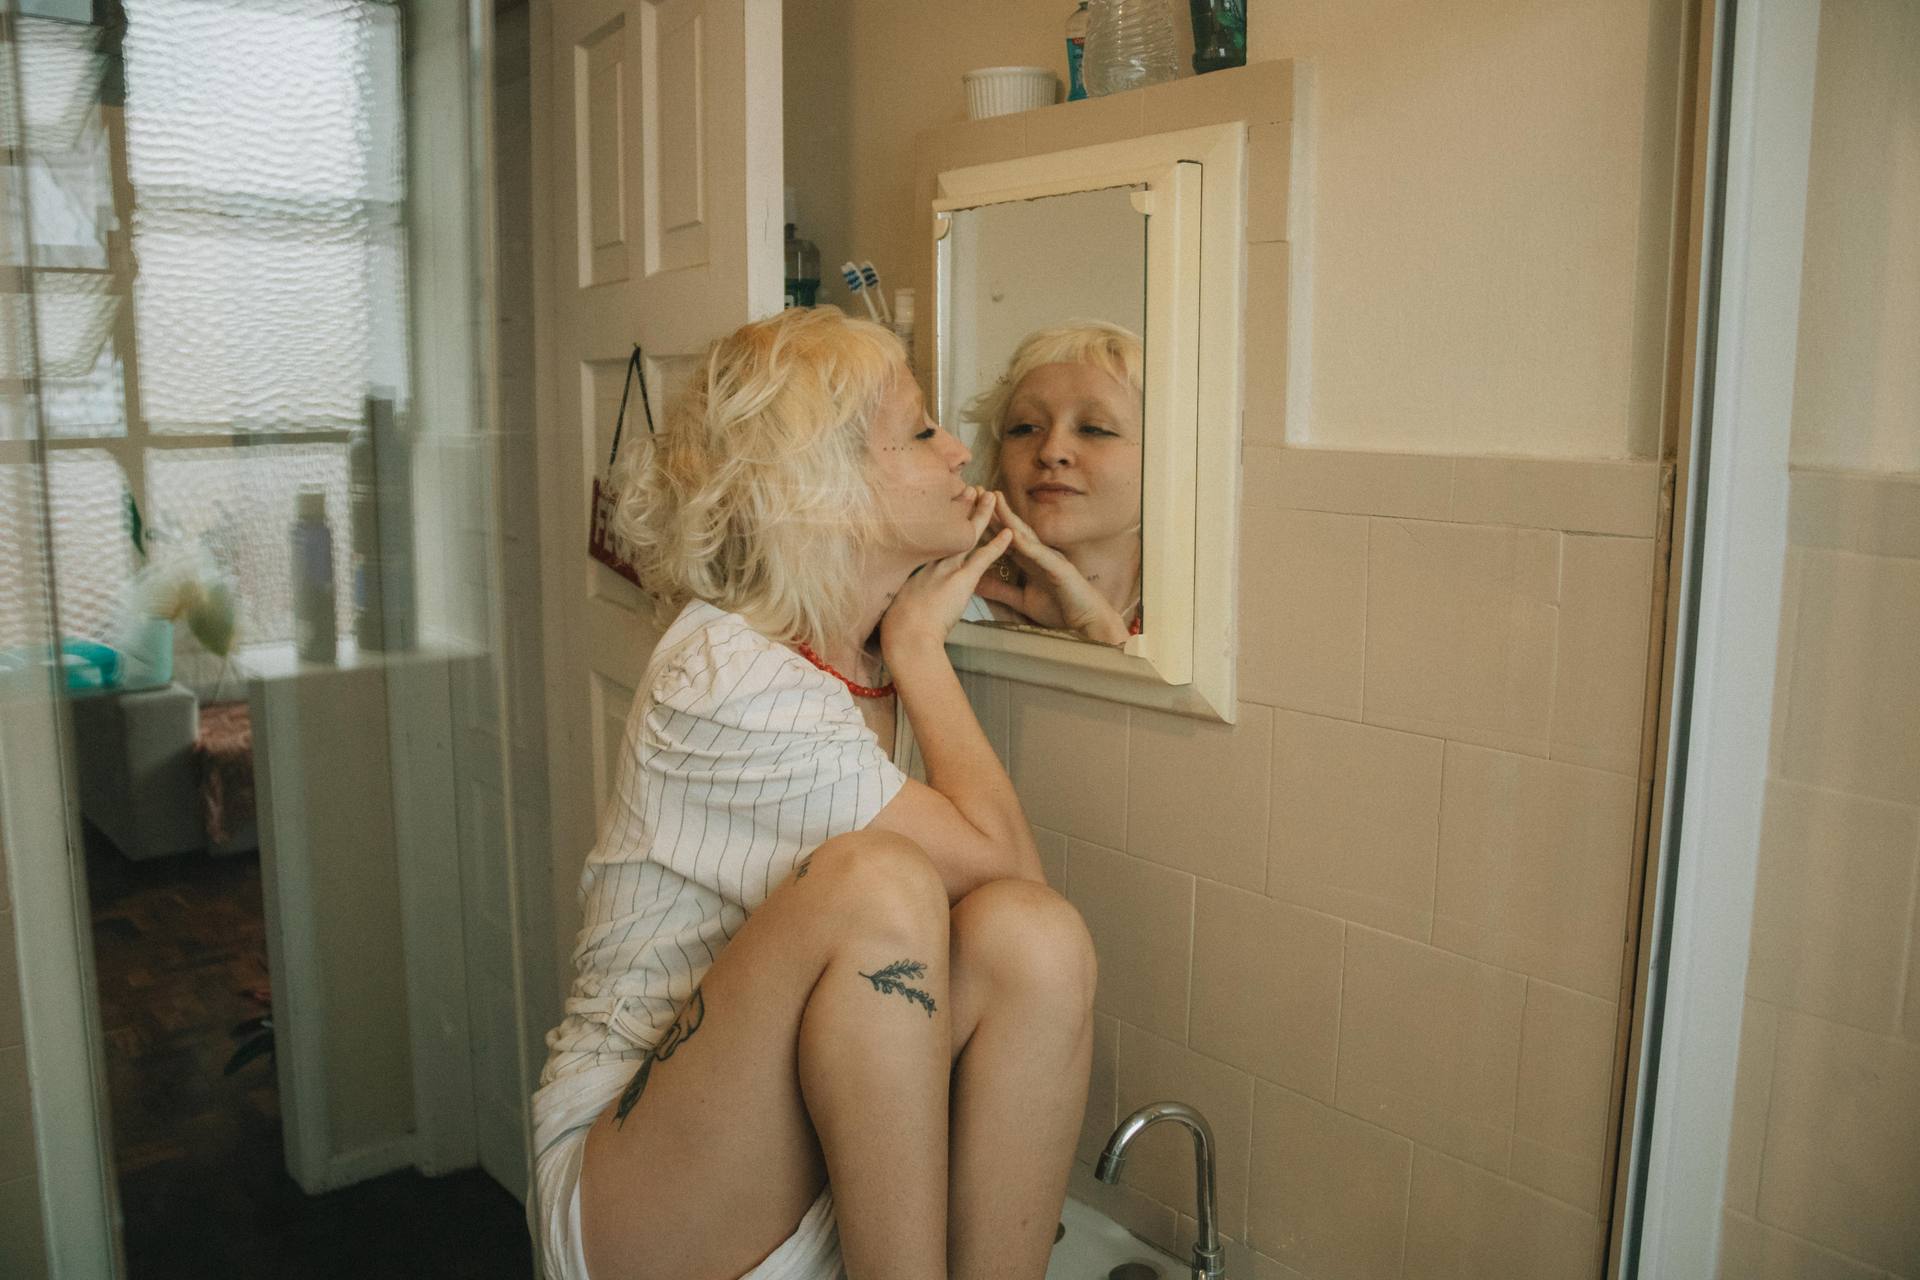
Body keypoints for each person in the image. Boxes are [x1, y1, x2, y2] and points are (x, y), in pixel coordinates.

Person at [532, 305, 1098, 1280]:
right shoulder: (724, 674)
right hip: (634, 1174)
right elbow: (995, 855)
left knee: (1035, 938)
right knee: (878, 882)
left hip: (827, 1136)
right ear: (822, 488)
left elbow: (1022, 891)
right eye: (921, 430)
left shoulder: (870, 641)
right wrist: (921, 647)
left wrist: (1052, 615)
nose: (961, 451)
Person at [961, 322, 1144, 646]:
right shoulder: (953, 608)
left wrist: (1098, 626)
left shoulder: (1208, 610)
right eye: (1026, 427)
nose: (1050, 451)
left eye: (1094, 429)